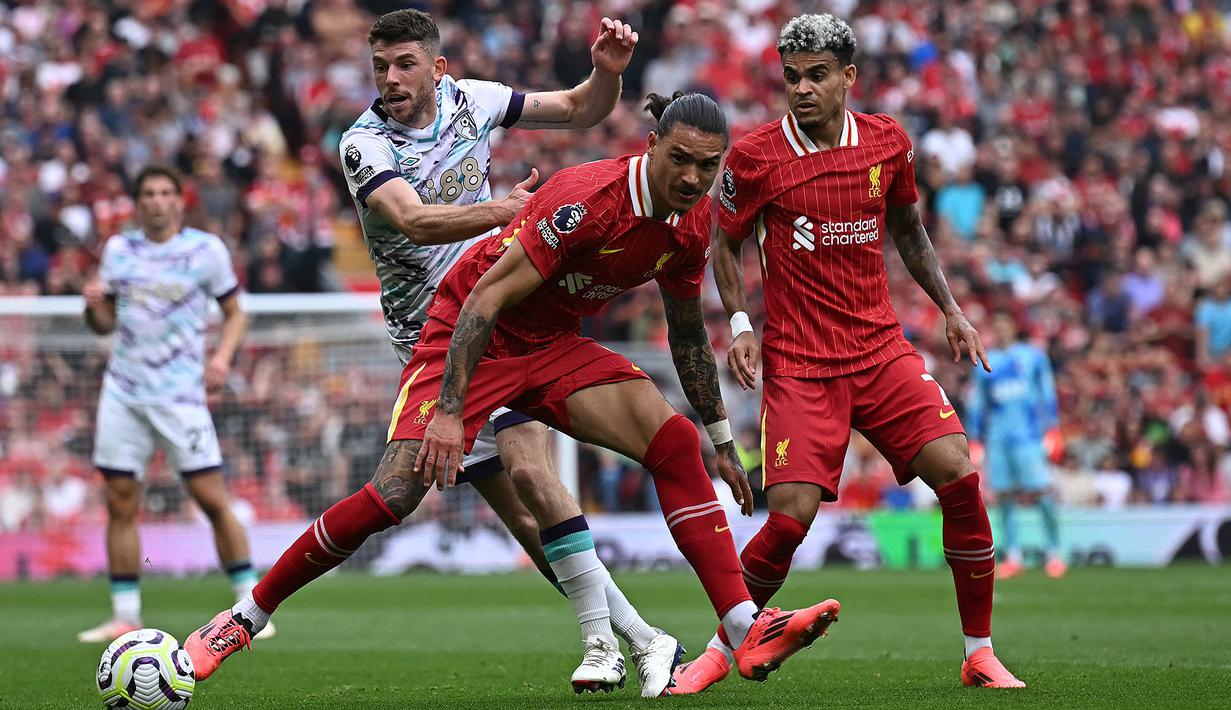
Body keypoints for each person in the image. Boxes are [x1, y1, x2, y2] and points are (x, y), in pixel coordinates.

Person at [187, 91, 839, 692]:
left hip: (550, 344)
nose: (692, 178)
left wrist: (722, 439)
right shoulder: (587, 198)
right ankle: (239, 621)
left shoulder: (692, 224)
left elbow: (688, 332)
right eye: (680, 160)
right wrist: (449, 410)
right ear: (651, 146)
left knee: (673, 442)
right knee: (393, 494)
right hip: (470, 333)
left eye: (706, 164)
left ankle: (739, 625)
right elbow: (486, 295)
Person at [188, 9, 683, 696]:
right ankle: (645, 638)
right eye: (379, 68)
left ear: (436, 67)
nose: (389, 79)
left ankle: (620, 640)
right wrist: (504, 213)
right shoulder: (362, 143)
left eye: (403, 65)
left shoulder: (474, 101)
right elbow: (414, 221)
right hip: (431, 339)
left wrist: (605, 71)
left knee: (537, 479)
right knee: (414, 497)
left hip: (503, 320)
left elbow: (578, 109)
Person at [674, 14, 1024, 692]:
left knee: (958, 473)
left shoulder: (887, 143)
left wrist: (950, 309)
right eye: (792, 78)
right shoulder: (755, 157)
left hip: (879, 350)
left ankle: (978, 653)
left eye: (815, 76)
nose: (801, 89)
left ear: (846, 77)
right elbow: (724, 243)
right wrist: (741, 323)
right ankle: (719, 653)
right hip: (801, 363)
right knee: (789, 519)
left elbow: (909, 230)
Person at [77, 166, 272, 643]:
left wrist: (223, 359)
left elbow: (235, 313)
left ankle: (250, 609)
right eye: (148, 193)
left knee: (210, 498)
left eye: (166, 192)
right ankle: (125, 614)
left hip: (181, 394)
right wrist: (92, 306)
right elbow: (102, 325)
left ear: (179, 201)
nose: (158, 201)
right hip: (124, 392)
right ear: (137, 202)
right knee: (120, 501)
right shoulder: (119, 251)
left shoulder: (205, 251)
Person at [967, 312, 1065, 579]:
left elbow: (1047, 392)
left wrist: (1052, 428)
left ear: (1013, 328)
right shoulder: (985, 361)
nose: (999, 331)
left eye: (1003, 326)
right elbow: (977, 403)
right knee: (1006, 497)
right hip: (998, 440)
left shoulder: (1032, 357)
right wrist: (975, 438)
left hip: (1029, 438)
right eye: (995, 327)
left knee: (1043, 494)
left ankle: (1054, 553)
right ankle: (1013, 555)